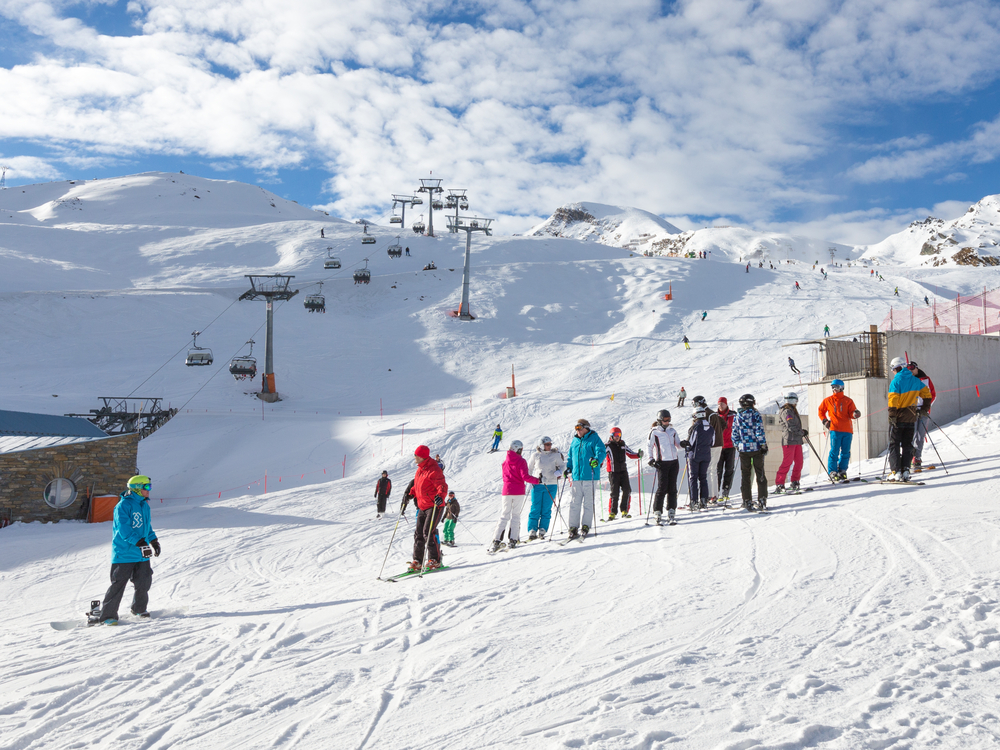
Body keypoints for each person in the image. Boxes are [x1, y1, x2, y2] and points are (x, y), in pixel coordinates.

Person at [91, 475, 161, 625]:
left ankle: (139, 609)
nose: (149, 490)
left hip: (141, 553)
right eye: (146, 487)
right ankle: (107, 616)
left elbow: (147, 527)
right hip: (124, 553)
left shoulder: (144, 505)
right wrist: (140, 543)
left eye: (149, 487)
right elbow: (124, 529)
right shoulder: (123, 506)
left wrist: (153, 541)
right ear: (137, 488)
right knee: (118, 584)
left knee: (144, 581)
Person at [490, 440, 540, 552]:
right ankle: (513, 540)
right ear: (517, 449)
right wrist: (538, 480)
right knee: (516, 515)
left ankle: (496, 540)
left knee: (504, 515)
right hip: (518, 491)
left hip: (506, 491)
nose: (521, 451)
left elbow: (505, 477)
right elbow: (525, 476)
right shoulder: (521, 461)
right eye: (521, 449)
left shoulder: (505, 462)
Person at [887, 357, 931, 481]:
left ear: (897, 368)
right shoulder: (915, 380)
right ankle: (906, 469)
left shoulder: (896, 381)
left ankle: (896, 471)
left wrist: (892, 415)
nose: (892, 372)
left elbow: (893, 400)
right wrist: (924, 409)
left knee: (894, 444)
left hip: (898, 418)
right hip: (911, 418)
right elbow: (927, 394)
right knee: (907, 444)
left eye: (893, 369)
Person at [563, 419, 606, 540]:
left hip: (590, 476)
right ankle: (573, 527)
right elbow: (571, 456)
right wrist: (569, 468)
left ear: (586, 428)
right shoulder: (575, 440)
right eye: (576, 428)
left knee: (588, 502)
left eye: (579, 428)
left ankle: (586, 525)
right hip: (577, 477)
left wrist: (596, 460)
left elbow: (601, 451)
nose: (578, 431)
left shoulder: (594, 438)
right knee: (574, 503)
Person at [408, 445, 449, 571]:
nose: (414, 457)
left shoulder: (434, 469)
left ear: (421, 456)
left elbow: (442, 485)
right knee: (418, 533)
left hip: (435, 505)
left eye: (416, 455)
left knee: (428, 531)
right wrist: (410, 494)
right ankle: (417, 561)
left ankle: (435, 560)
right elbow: (417, 485)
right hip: (423, 505)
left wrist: (440, 496)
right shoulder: (420, 469)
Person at [818, 379, 861, 481]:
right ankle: (832, 471)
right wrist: (825, 421)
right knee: (834, 451)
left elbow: (852, 413)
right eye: (832, 387)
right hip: (835, 429)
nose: (834, 389)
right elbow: (820, 411)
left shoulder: (848, 401)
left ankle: (842, 470)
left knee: (845, 452)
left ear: (842, 387)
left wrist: (855, 414)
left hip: (847, 430)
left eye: (836, 387)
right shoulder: (828, 400)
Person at [732, 394, 768, 511]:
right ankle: (762, 499)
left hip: (744, 449)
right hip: (756, 448)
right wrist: (763, 444)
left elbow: (735, 432)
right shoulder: (755, 414)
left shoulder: (738, 416)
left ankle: (746, 500)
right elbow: (759, 431)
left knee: (745, 475)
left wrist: (737, 444)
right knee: (760, 473)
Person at [647, 409, 682, 524]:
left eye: (669, 420)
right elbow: (649, 446)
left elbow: (678, 445)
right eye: (665, 420)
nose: (667, 422)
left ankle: (671, 509)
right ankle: (657, 511)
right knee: (662, 487)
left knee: (672, 487)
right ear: (659, 420)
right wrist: (651, 460)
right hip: (662, 463)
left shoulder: (672, 431)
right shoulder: (654, 432)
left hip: (674, 462)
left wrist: (683, 444)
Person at [526, 436, 565, 540]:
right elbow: (529, 469)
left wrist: (560, 471)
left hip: (551, 484)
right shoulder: (535, 455)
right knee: (535, 507)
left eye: (550, 444)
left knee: (546, 508)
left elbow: (562, 465)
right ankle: (532, 529)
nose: (550, 446)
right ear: (542, 445)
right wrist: (530, 481)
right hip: (537, 484)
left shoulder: (555, 455)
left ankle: (543, 529)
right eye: (547, 444)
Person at [681, 408, 714, 510]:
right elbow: (712, 442)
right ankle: (703, 501)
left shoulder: (695, 427)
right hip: (706, 455)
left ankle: (694, 501)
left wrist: (685, 445)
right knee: (703, 477)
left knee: (693, 477)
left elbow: (690, 442)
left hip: (695, 455)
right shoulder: (711, 427)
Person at [604, 427, 641, 519]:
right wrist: (598, 463)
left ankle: (624, 510)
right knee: (615, 492)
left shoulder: (623, 444)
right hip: (613, 472)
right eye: (615, 435)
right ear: (611, 436)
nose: (617, 437)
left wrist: (638, 455)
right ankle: (612, 512)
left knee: (627, 490)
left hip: (623, 471)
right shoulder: (608, 446)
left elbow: (630, 453)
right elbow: (601, 455)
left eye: (619, 435)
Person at [906, 361, 936, 472]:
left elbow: (933, 395)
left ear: (917, 368)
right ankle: (909, 457)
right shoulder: (907, 380)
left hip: (923, 411)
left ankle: (917, 458)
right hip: (912, 411)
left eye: (912, 368)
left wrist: (925, 408)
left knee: (920, 435)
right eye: (908, 368)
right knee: (911, 434)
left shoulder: (926, 379)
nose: (910, 370)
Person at [774, 393, 806, 493]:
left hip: (797, 440)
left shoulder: (792, 410)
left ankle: (795, 481)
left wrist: (801, 432)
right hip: (789, 440)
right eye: (796, 400)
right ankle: (780, 483)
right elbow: (790, 426)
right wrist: (801, 432)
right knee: (787, 462)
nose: (797, 402)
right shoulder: (786, 411)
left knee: (799, 462)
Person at [715, 397, 736, 501]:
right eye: (719, 404)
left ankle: (726, 490)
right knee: (718, 470)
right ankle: (716, 491)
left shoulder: (733, 414)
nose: (721, 406)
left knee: (729, 469)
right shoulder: (715, 415)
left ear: (726, 404)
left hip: (730, 446)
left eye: (722, 404)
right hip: (719, 446)